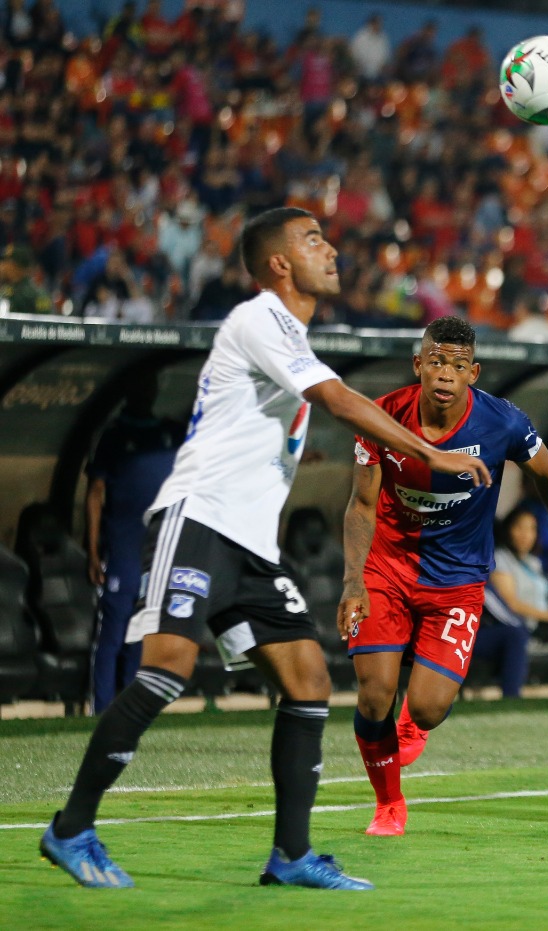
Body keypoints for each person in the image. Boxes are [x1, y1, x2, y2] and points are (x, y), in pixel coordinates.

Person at [40, 207, 492, 891]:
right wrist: (432, 453)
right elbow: (337, 399)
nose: (330, 249)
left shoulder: (292, 338)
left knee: (308, 680)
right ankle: (71, 828)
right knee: (167, 668)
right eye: (313, 240)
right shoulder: (259, 319)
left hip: (251, 547)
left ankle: (291, 855)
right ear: (280, 263)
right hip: (200, 519)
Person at [339, 315, 548, 836]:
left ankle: (416, 720)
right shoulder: (381, 417)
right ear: (418, 365)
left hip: (457, 580)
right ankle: (388, 804)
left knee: (428, 710)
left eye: (457, 365)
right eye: (436, 362)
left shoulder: (503, 422)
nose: (445, 374)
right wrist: (353, 581)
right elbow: (361, 504)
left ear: (473, 373)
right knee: (374, 695)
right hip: (388, 567)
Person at [84, 371, 184, 713]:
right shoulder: (112, 436)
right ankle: (99, 711)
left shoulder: (169, 433)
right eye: (140, 383)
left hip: (157, 551)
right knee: (113, 634)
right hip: (122, 551)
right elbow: (95, 493)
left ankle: (127, 712)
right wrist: (93, 551)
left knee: (141, 633)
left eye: (150, 383)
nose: (147, 389)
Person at [475, 506, 548, 698]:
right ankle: (512, 699)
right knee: (516, 634)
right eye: (520, 527)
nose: (526, 535)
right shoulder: (500, 559)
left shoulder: (533, 562)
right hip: (516, 626)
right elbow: (511, 604)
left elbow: (546, 597)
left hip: (542, 624)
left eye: (531, 529)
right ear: (508, 530)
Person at [0, 243, 54, 315]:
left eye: (5, 262)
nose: (2, 266)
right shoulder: (6, 290)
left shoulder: (32, 294)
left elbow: (44, 320)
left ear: (15, 266)